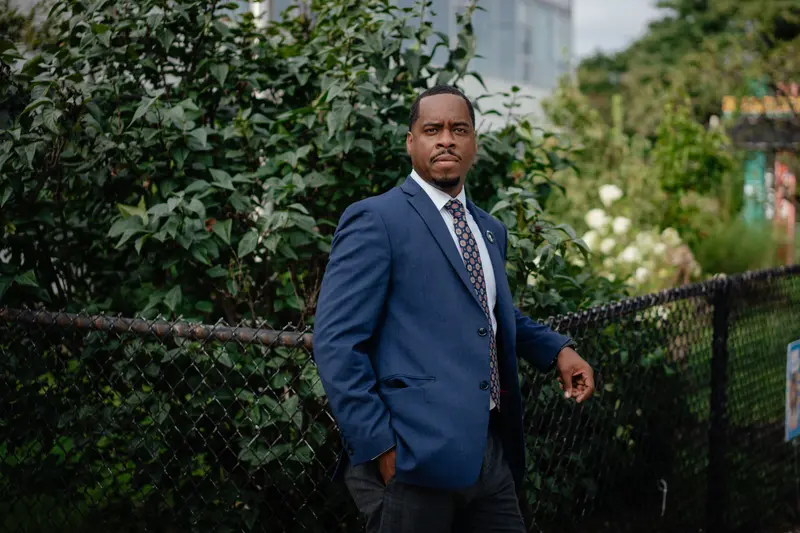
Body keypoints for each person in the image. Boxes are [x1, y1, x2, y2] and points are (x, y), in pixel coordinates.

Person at [312, 84, 595, 533]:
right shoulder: (377, 220)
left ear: (473, 144)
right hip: (414, 455)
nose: (446, 139)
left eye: (458, 129)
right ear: (411, 142)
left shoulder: (489, 229)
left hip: (488, 452)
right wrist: (381, 447)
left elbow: (490, 312)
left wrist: (557, 350)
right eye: (433, 129)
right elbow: (335, 342)